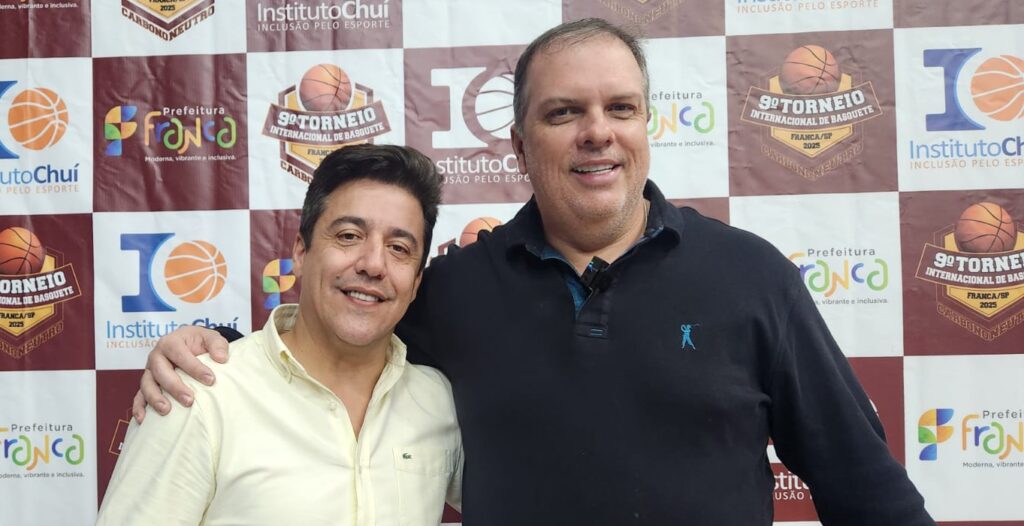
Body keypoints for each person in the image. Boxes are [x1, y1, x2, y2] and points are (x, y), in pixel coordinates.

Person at [134, 18, 934, 525]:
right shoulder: (453, 291)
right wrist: (209, 345)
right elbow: (338, 333)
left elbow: (868, 492)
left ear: (646, 128)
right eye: (564, 113)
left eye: (620, 109)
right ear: (519, 145)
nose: (597, 133)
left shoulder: (752, 277)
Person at [100, 145, 462, 525]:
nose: (373, 264)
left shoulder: (439, 402)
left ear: (416, 281)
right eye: (349, 236)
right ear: (301, 253)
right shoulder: (199, 394)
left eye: (399, 248)